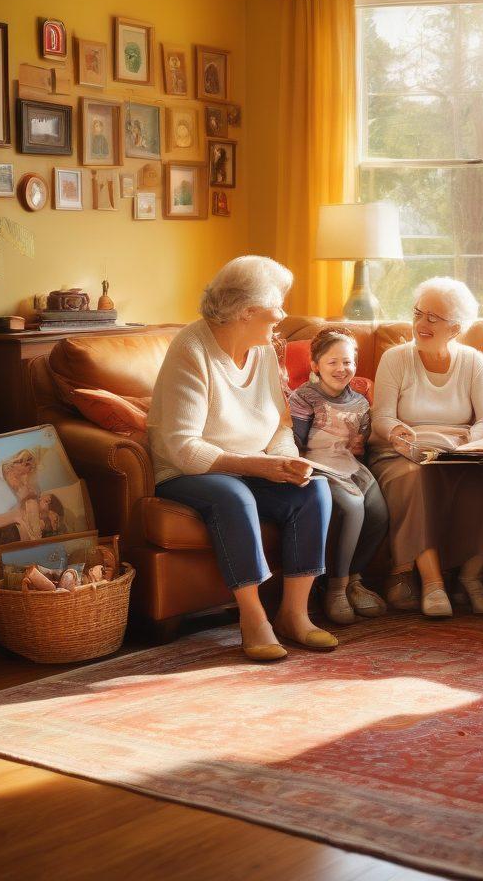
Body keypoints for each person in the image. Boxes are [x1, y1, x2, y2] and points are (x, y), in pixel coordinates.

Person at [148, 255, 335, 663]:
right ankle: (253, 618)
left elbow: (280, 425)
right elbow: (184, 448)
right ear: (248, 312)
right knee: (234, 497)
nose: (283, 315)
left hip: (252, 463)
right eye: (277, 305)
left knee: (313, 491)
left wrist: (285, 462)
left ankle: (294, 616)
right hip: (187, 471)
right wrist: (259, 465)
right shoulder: (192, 350)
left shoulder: (263, 347)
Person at [370, 278, 483, 618]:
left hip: (456, 450)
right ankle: (433, 583)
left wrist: (472, 443)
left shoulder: (473, 361)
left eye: (433, 318)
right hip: (399, 451)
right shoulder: (396, 358)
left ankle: (472, 578)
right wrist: (397, 431)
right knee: (415, 477)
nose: (421, 324)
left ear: (455, 327)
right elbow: (381, 416)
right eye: (418, 314)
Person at [288, 327, 389, 626]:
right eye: (332, 362)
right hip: (316, 464)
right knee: (352, 506)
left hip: (347, 462)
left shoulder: (359, 401)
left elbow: (361, 442)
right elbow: (295, 444)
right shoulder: (303, 398)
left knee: (379, 511)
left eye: (347, 362)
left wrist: (361, 443)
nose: (341, 369)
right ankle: (335, 586)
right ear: (316, 365)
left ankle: (355, 579)